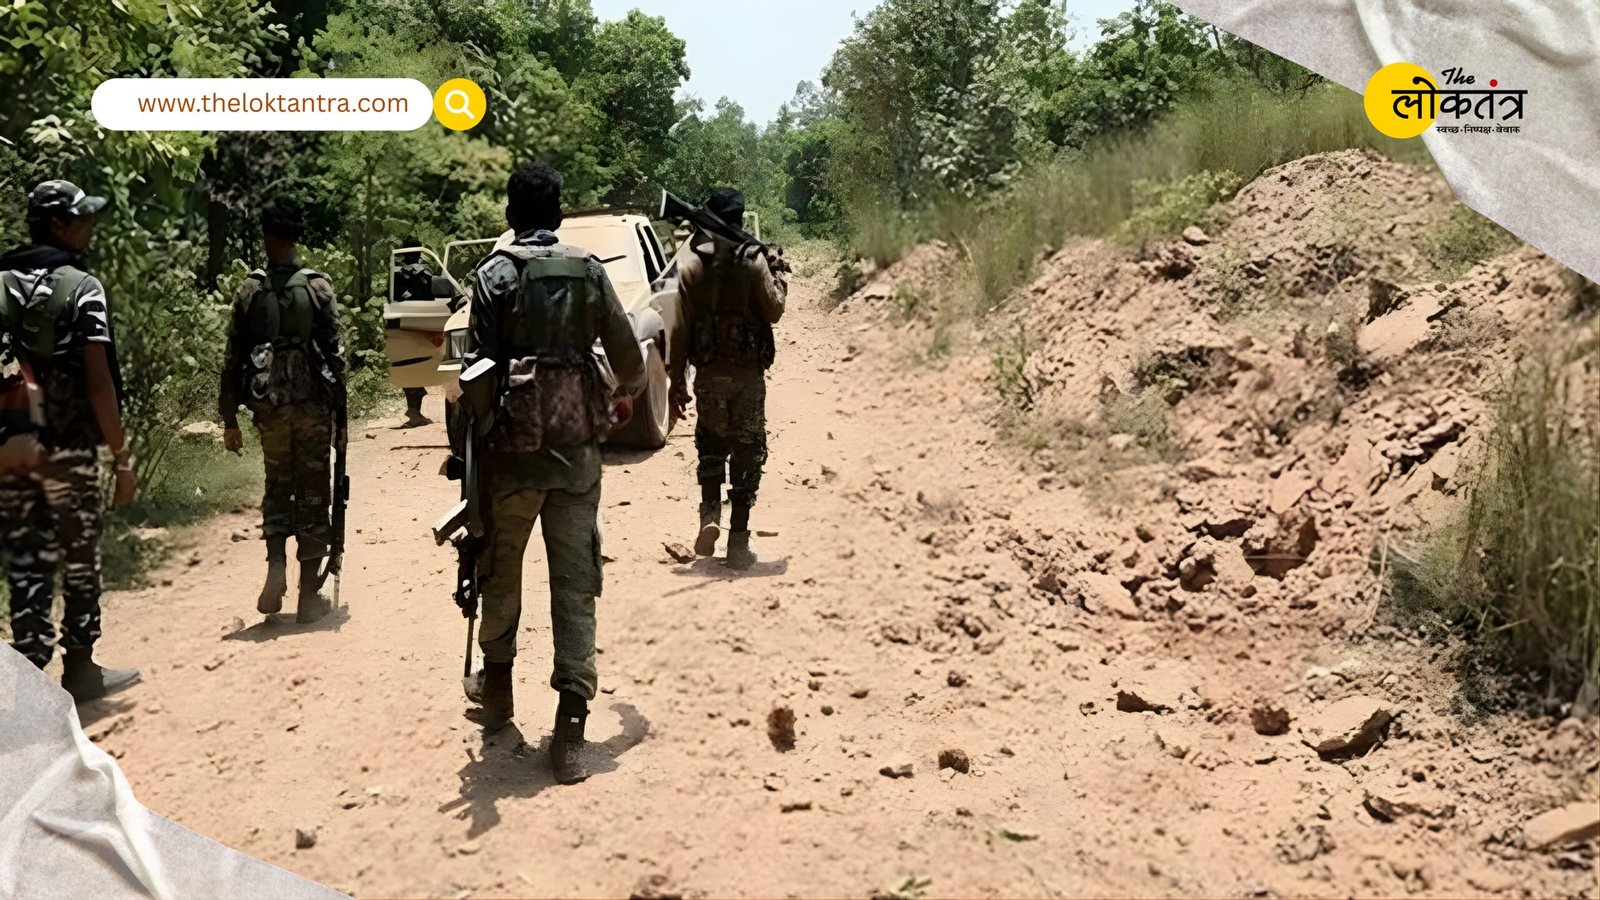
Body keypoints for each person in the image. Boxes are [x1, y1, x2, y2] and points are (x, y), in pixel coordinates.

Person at [463, 160, 645, 783]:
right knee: (575, 585)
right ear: (560, 216)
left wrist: (469, 461)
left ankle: (498, 696)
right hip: (578, 460)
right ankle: (569, 733)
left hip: (512, 459)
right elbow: (629, 356)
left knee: (499, 572)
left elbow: (476, 380)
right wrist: (621, 394)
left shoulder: (492, 276)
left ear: (511, 217)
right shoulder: (590, 273)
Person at [0, 180, 139, 702]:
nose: (89, 224)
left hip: (10, 446)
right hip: (69, 447)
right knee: (79, 558)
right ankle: (81, 672)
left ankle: (32, 692)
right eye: (81, 217)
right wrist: (122, 458)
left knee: (26, 559)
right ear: (57, 225)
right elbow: (99, 380)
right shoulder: (82, 287)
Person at [219, 196, 345, 624]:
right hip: (311, 404)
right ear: (297, 236)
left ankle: (275, 564)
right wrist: (342, 421)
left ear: (266, 236)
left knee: (277, 484)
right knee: (314, 490)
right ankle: (309, 596)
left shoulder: (250, 289)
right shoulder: (317, 286)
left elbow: (233, 356)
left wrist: (229, 417)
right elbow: (335, 355)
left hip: (268, 404)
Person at [668, 188, 786, 570]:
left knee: (711, 445)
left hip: (707, 374)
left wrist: (676, 381)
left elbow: (680, 329)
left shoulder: (694, 264)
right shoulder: (753, 262)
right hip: (747, 376)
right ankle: (738, 543)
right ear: (738, 220)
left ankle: (709, 515)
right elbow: (775, 311)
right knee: (748, 452)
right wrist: (779, 272)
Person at [392, 235, 434, 428]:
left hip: (413, 325)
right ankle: (414, 412)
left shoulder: (423, 271)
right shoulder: (401, 273)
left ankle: (415, 411)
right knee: (412, 366)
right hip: (410, 326)